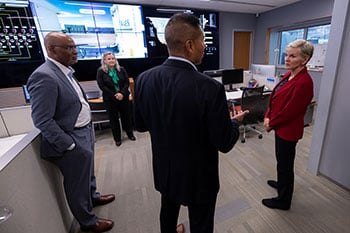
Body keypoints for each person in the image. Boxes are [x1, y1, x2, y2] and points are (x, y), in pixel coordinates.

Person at [134, 13, 248, 233]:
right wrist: (234, 123)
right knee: (201, 223)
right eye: (202, 42)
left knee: (167, 211)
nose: (204, 47)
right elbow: (224, 142)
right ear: (190, 45)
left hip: (165, 169)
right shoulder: (209, 87)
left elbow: (140, 125)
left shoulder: (143, 79)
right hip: (199, 175)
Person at [27, 32, 115, 232]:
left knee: (87, 172)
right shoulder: (44, 75)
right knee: (76, 183)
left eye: (75, 47)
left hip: (85, 131)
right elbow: (42, 119)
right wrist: (68, 144)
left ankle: (92, 196)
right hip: (71, 138)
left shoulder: (66, 71)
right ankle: (88, 222)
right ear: (51, 49)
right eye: (68, 47)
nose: (74, 51)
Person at [262, 39, 314, 210]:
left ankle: (284, 200)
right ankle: (282, 184)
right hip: (279, 126)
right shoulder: (289, 75)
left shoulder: (304, 82)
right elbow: (275, 98)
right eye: (286, 55)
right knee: (281, 162)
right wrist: (268, 115)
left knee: (285, 165)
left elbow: (290, 112)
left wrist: (271, 123)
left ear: (304, 59)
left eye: (292, 56)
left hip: (288, 130)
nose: (287, 59)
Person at [96, 52, 136, 146]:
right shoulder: (101, 71)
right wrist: (115, 95)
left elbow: (126, 82)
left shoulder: (121, 69)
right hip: (110, 99)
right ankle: (117, 138)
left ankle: (130, 134)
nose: (111, 60)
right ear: (104, 61)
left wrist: (122, 93)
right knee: (113, 119)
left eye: (113, 58)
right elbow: (102, 86)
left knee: (126, 117)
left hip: (124, 97)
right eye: (109, 59)